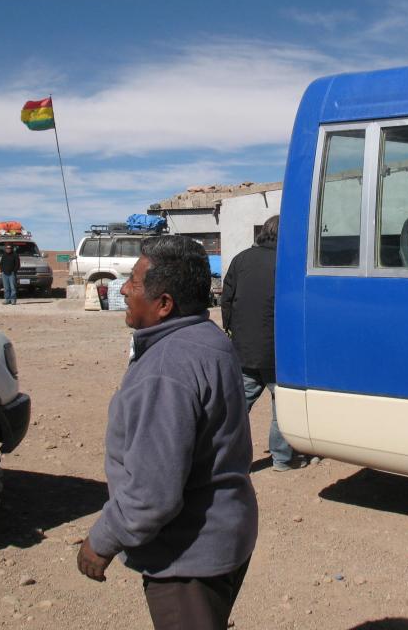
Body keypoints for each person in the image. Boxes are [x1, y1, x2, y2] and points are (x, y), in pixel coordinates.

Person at [77, 235, 258, 630]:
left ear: (164, 305)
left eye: (135, 284)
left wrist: (101, 541)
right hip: (227, 534)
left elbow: (150, 495)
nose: (123, 289)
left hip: (188, 560)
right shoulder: (209, 338)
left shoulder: (166, 369)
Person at [220, 215, 295, 471]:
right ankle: (282, 460)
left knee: (237, 409)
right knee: (282, 408)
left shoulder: (241, 260)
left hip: (246, 349)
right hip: (279, 352)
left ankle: (226, 460)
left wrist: (231, 329)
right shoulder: (288, 262)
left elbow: (226, 300)